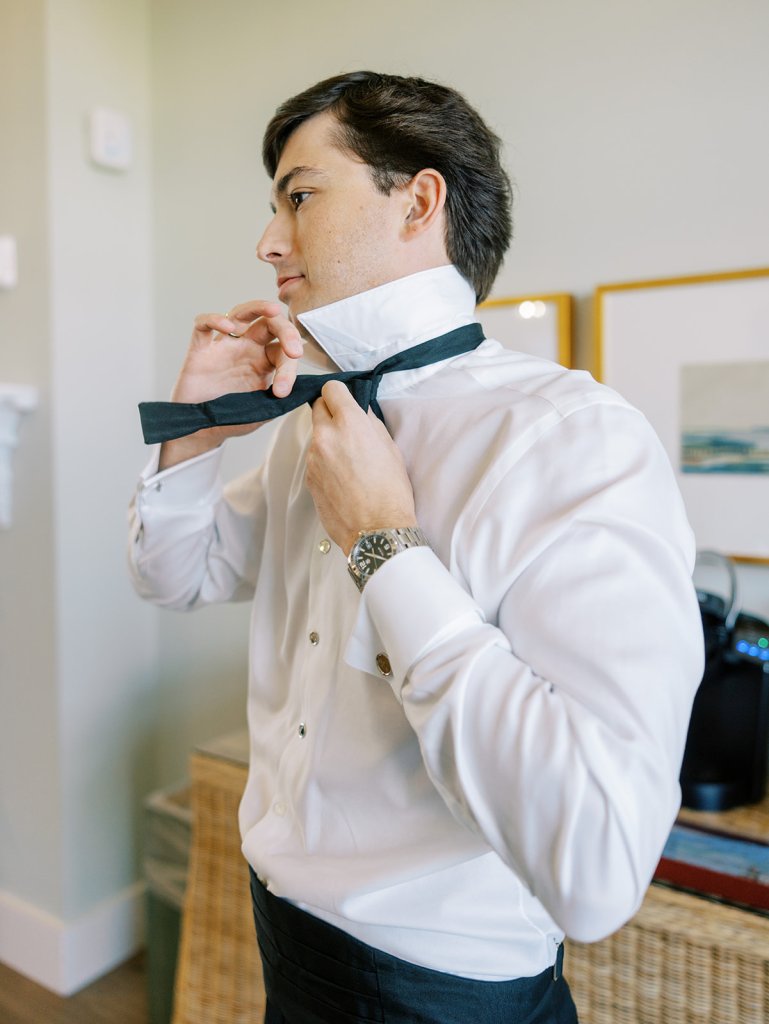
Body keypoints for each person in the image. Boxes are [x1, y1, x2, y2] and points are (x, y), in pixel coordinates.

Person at [128, 71, 704, 1023]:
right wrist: (193, 431)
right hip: (285, 936)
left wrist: (384, 547)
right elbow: (172, 576)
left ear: (418, 201)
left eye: (299, 196)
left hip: (441, 989)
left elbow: (597, 866)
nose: (267, 242)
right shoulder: (309, 423)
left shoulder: (573, 439)